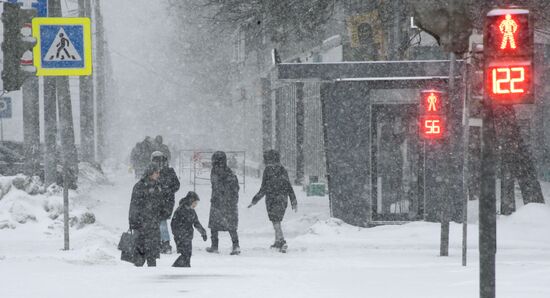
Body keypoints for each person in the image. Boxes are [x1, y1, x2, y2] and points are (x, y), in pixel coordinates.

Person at [248, 150, 297, 253]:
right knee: (277, 220)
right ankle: (277, 241)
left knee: (275, 221)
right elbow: (288, 185)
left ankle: (282, 241)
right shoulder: (283, 169)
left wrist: (255, 200)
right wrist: (293, 200)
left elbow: (264, 188)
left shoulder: (268, 170)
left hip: (272, 199)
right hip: (283, 198)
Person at [206, 151, 241, 255]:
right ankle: (235, 245)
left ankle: (215, 246)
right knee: (230, 226)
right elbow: (236, 188)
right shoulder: (229, 173)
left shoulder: (218, 172)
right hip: (227, 203)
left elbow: (216, 186)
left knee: (215, 225)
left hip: (220, 202)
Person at [129, 163, 163, 267]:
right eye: (156, 172)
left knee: (152, 255)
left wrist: (162, 212)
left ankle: (152, 276)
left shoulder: (157, 186)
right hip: (141, 225)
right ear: (150, 173)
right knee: (140, 254)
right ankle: (139, 277)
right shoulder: (139, 186)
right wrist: (134, 222)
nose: (158, 174)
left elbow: (159, 203)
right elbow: (134, 206)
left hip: (153, 224)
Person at [151, 151, 180, 254]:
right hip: (166, 201)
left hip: (163, 201)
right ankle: (163, 243)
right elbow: (176, 185)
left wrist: (165, 190)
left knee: (160, 221)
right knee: (160, 221)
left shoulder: (159, 172)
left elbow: (176, 185)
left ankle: (164, 243)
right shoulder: (169, 171)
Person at [171, 191, 207, 267]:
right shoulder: (180, 210)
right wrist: (178, 234)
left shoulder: (192, 211)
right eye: (195, 203)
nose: (195, 205)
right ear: (190, 201)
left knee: (188, 254)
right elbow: (173, 224)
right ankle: (176, 267)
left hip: (188, 236)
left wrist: (203, 233)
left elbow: (196, 223)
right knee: (185, 254)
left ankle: (185, 267)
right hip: (180, 237)